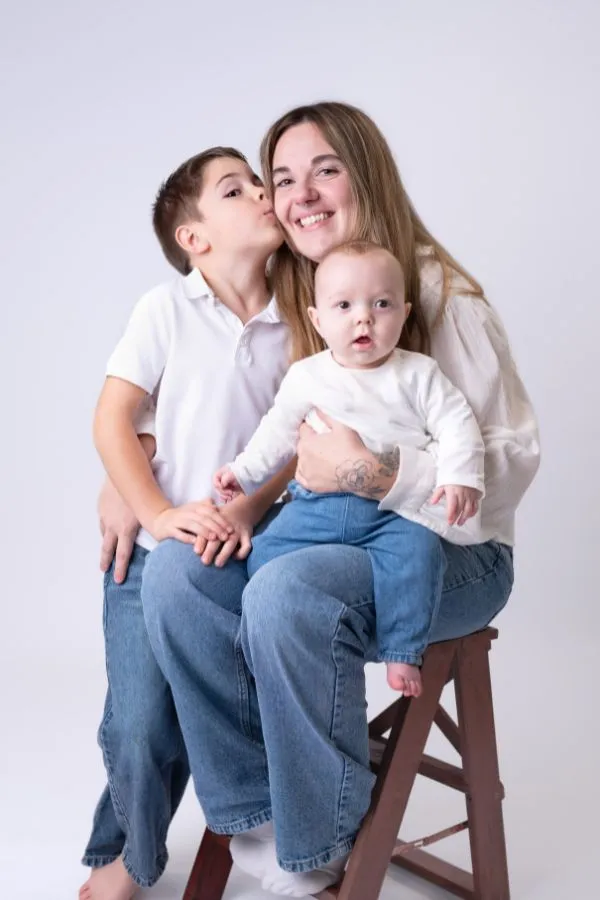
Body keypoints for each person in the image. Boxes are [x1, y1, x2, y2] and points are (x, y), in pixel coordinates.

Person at [120, 100, 536, 899]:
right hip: (324, 536)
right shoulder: (301, 295)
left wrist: (380, 473)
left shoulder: (440, 298)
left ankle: (319, 844)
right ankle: (258, 813)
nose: (300, 193)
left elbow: (512, 464)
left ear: (366, 175)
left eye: (326, 170)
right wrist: (127, 473)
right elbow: (207, 400)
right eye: (281, 178)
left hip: (453, 553)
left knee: (284, 590)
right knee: (180, 574)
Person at [80, 146, 291, 900]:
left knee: (202, 705)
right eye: (236, 189)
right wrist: (156, 512)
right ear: (193, 239)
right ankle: (129, 859)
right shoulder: (165, 309)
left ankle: (254, 827)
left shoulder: (297, 317)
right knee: (141, 725)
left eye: (259, 183)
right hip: (151, 553)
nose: (263, 194)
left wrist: (249, 508)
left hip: (242, 551)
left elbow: (295, 446)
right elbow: (112, 418)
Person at [215, 239, 485, 696]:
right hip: (315, 508)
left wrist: (460, 476)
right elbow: (277, 432)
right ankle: (257, 643)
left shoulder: (418, 375)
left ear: (403, 312)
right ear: (318, 319)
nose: (364, 317)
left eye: (381, 304)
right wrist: (243, 471)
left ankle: (403, 652)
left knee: (417, 555)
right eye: (344, 305)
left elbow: (458, 424)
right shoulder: (307, 375)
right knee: (262, 556)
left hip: (389, 515)